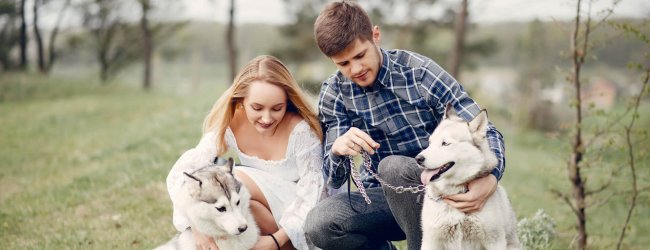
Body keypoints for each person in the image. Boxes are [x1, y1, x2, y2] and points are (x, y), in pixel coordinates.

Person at [304, 1, 507, 250]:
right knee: (320, 224)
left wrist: (492, 178)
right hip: (383, 198)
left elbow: (488, 131)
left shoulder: (419, 73)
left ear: (375, 36)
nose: (355, 69)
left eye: (359, 55)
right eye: (343, 64)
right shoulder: (334, 94)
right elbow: (334, 180)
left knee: (394, 166)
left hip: (444, 191)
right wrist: (337, 150)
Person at [167, 55, 326, 250]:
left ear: (287, 101)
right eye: (257, 108)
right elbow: (182, 173)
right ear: (241, 100)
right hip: (267, 214)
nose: (266, 118)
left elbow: (314, 194)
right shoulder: (232, 123)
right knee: (241, 205)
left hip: (304, 217)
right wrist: (197, 229)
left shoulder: (301, 131)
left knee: (236, 178)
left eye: (277, 108)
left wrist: (276, 241)